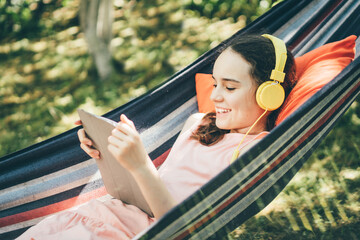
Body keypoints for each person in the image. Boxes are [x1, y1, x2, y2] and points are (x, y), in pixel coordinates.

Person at [17, 34, 296, 239]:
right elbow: (153, 186)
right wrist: (107, 149)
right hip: (100, 213)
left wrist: (140, 164)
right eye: (214, 84)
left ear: (269, 94)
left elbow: (182, 228)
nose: (214, 96)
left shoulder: (254, 152)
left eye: (230, 87)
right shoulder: (197, 123)